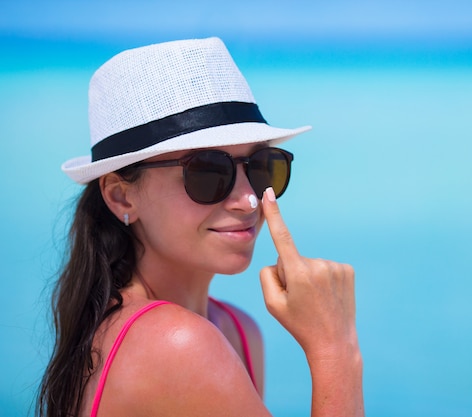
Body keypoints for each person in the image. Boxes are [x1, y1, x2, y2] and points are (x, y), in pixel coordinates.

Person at [37, 37, 363, 417]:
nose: (249, 199)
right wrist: (335, 348)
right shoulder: (178, 344)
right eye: (207, 172)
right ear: (122, 196)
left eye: (261, 167)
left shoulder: (235, 329)